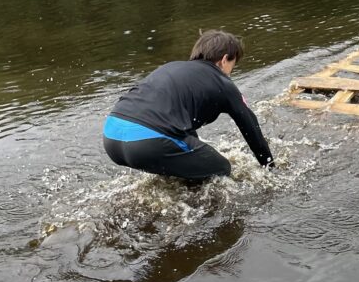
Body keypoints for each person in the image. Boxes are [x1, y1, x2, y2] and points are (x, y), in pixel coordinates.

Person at [102, 29, 274, 181]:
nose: (231, 71)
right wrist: (270, 169)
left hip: (112, 136)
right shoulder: (223, 84)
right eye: (233, 64)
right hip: (149, 143)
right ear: (224, 60)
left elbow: (177, 121)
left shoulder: (171, 68)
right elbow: (251, 128)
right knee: (221, 168)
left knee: (190, 165)